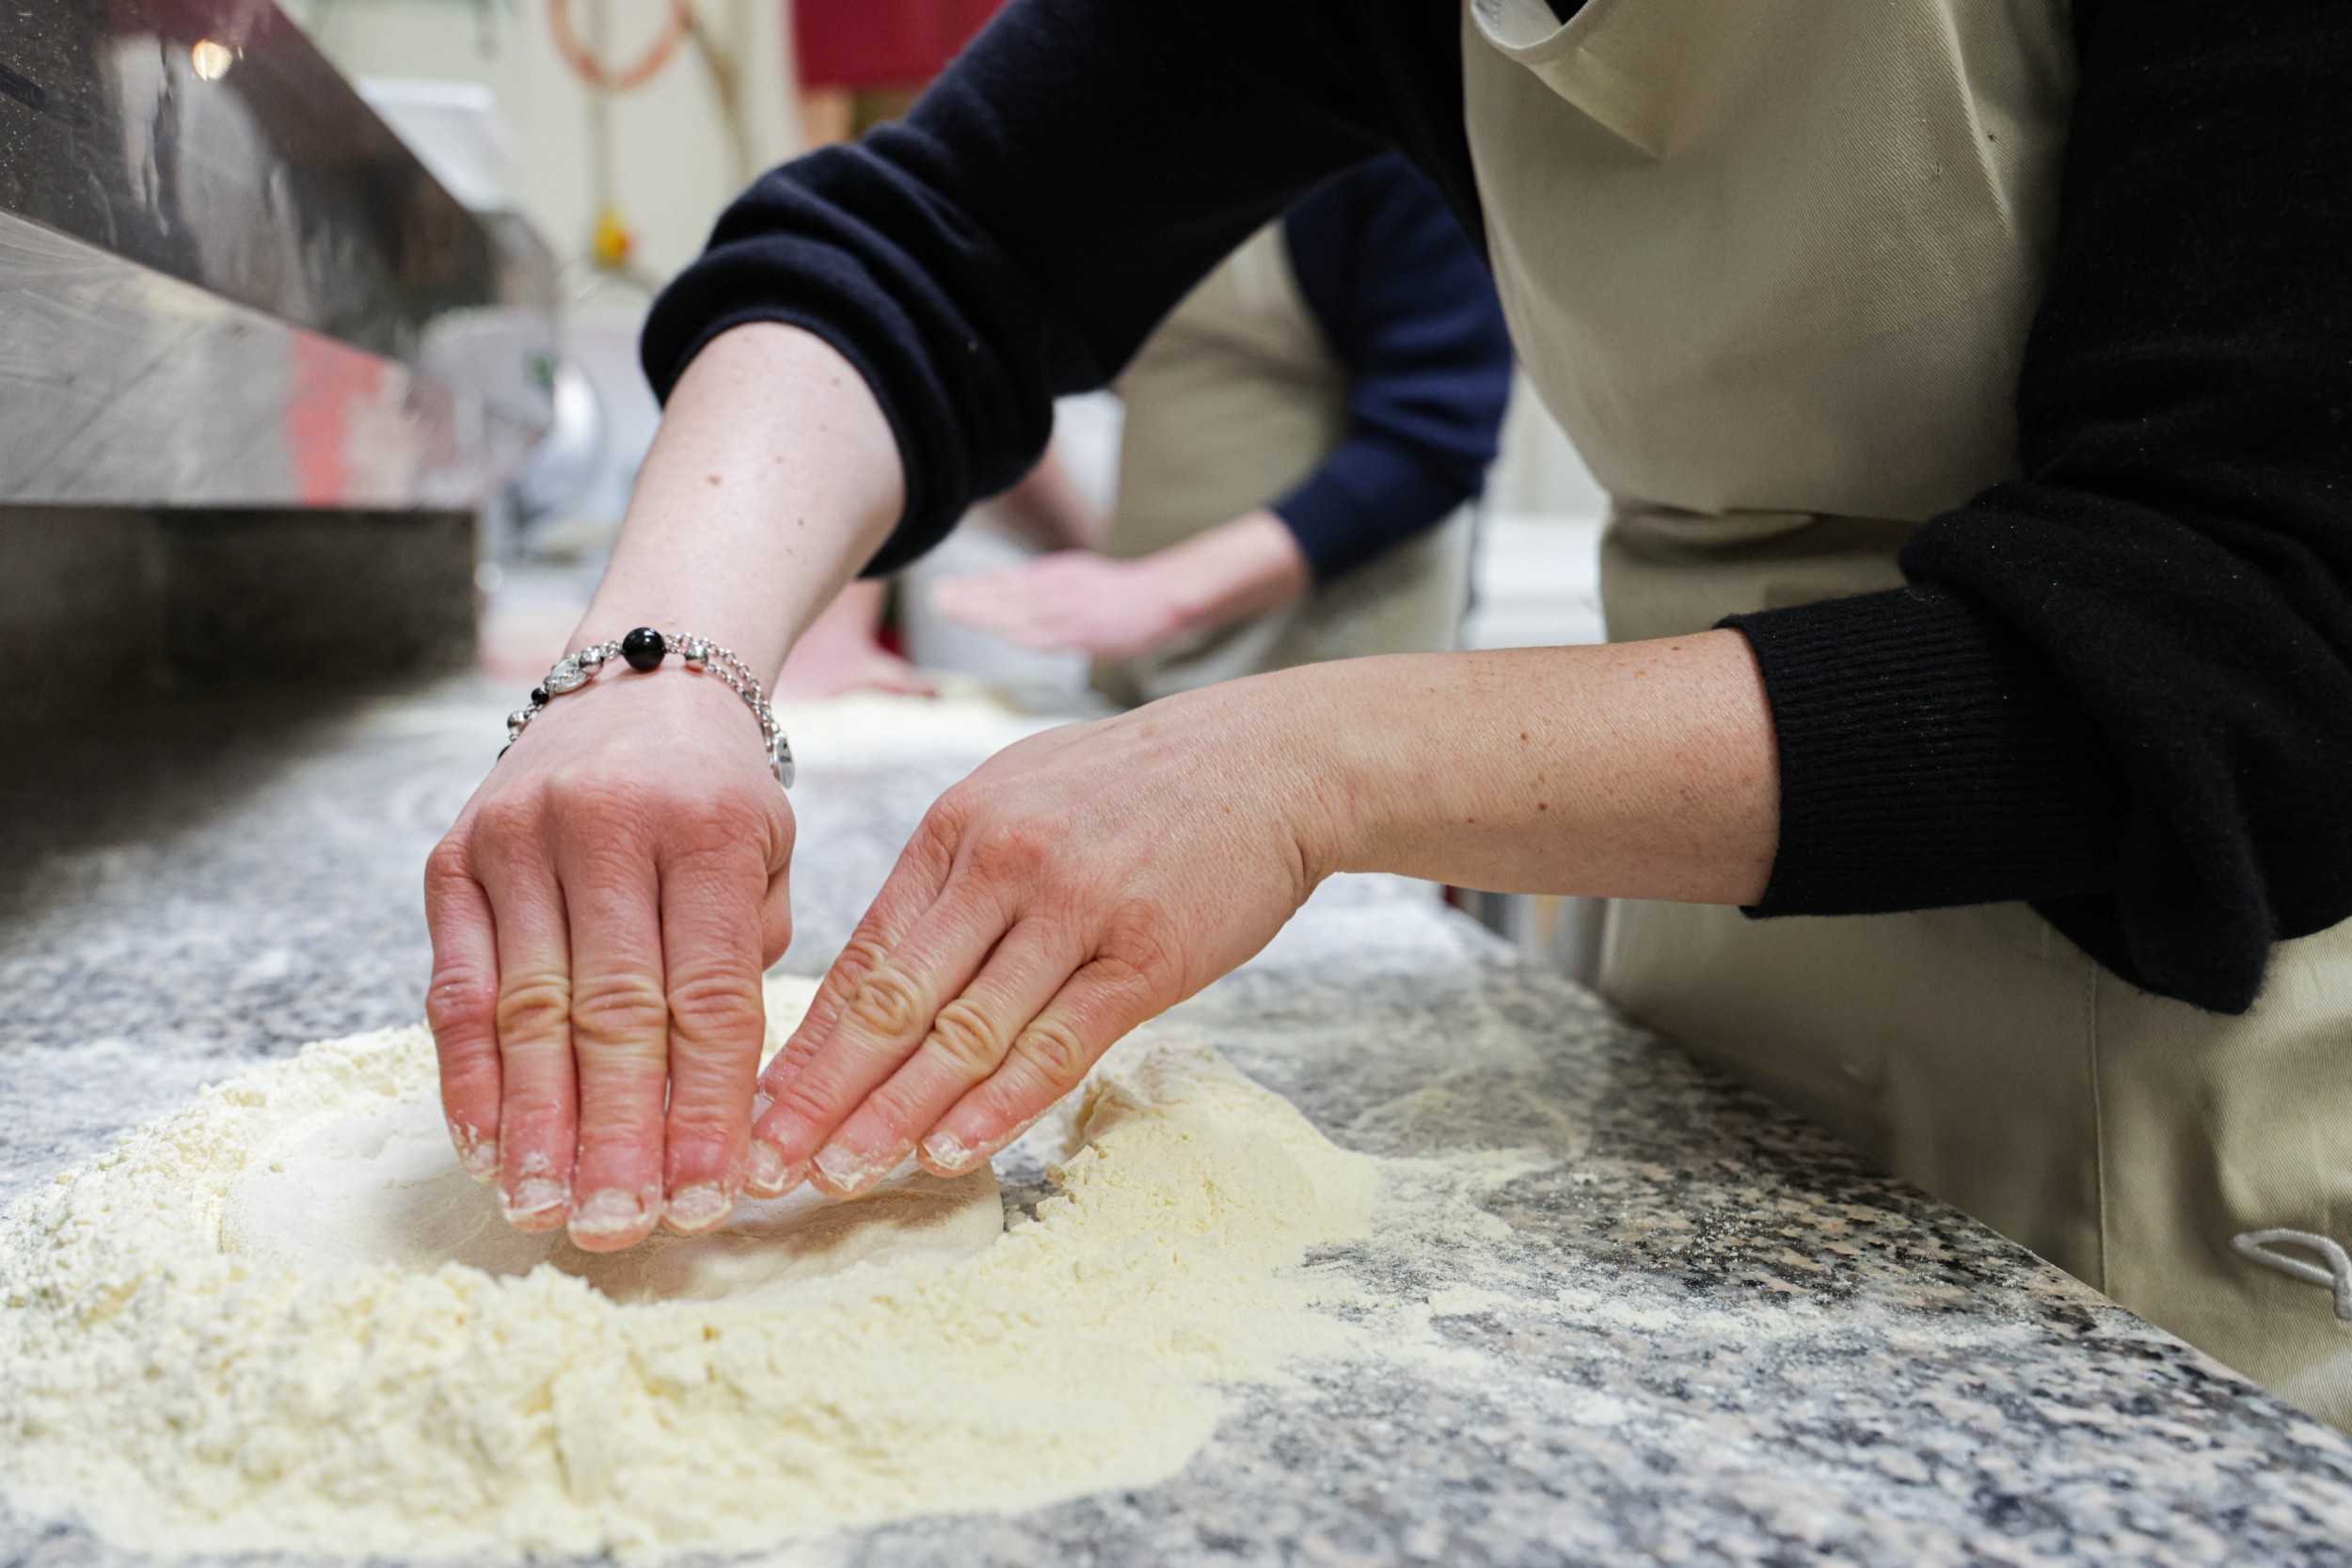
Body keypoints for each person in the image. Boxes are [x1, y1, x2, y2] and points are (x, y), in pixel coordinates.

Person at [424, 0, 2352, 1423]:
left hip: (2176, 1084)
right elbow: (931, 240)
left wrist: (1300, 758)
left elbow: (2240, 633)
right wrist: (655, 667)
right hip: (1707, 1012)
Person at [797, 154, 1513, 704]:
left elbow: (1429, 447)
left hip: (1335, 668)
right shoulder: (1113, 104)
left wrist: (1155, 594)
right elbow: (945, 340)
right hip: (1143, 664)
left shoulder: (1389, 141)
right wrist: (841, 626)